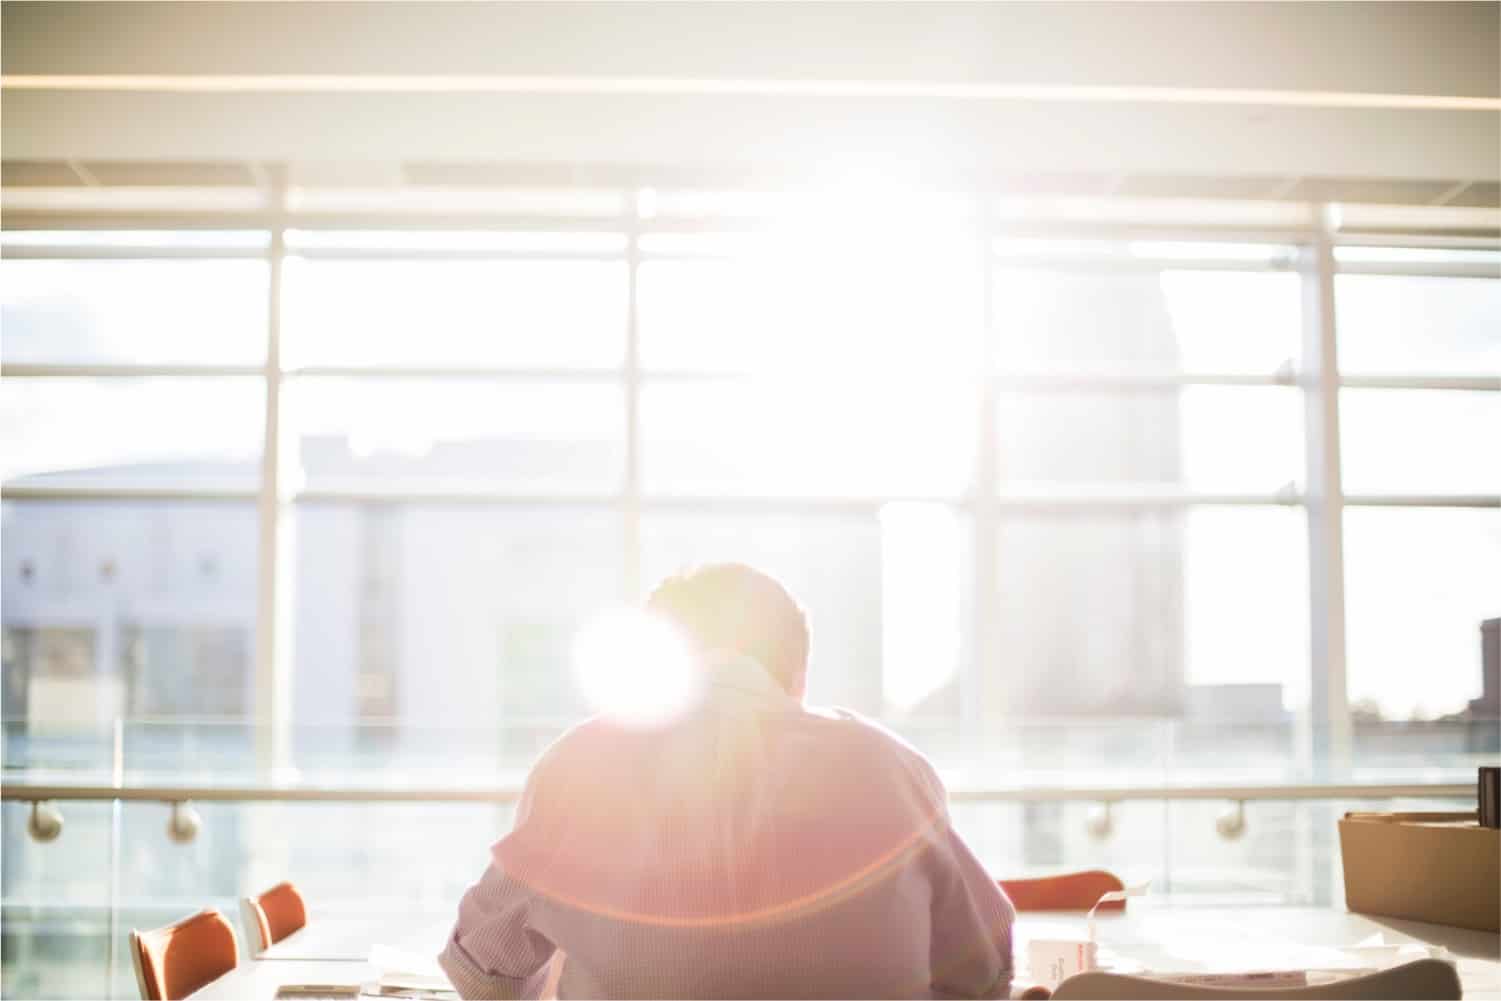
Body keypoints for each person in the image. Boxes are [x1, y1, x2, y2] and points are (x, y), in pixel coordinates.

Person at [439, 563, 1014, 999]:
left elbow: (483, 968)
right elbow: (985, 967)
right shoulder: (891, 766)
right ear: (798, 673)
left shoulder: (581, 762)